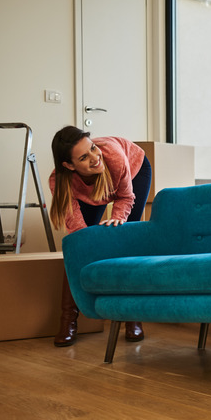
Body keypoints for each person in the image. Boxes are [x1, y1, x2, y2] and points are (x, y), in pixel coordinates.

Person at [48, 125, 152, 347]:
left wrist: (118, 220)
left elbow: (125, 197)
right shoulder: (60, 181)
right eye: (84, 157)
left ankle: (131, 317)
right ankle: (68, 321)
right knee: (78, 247)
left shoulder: (111, 156)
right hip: (88, 186)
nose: (95, 158)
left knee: (126, 241)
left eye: (93, 148)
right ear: (68, 165)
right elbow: (78, 231)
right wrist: (89, 245)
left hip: (133, 169)